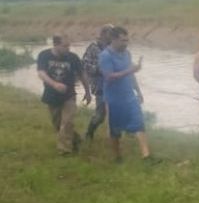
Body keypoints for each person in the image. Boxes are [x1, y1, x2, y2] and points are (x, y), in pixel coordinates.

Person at [99, 26, 153, 162]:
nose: (125, 43)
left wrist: (139, 91)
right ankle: (117, 157)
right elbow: (109, 76)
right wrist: (131, 70)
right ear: (113, 39)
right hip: (113, 99)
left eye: (127, 40)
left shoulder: (127, 54)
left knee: (139, 123)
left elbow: (131, 76)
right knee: (115, 130)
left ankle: (146, 156)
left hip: (129, 96)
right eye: (123, 41)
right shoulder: (105, 56)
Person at [36, 35, 91, 154]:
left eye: (69, 46)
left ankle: (65, 151)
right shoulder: (44, 55)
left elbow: (82, 75)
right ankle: (75, 139)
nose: (68, 49)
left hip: (69, 95)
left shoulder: (73, 58)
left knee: (67, 122)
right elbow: (41, 73)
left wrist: (88, 92)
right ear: (55, 45)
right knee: (57, 123)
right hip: (51, 94)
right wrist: (54, 84)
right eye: (65, 46)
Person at [81, 23, 114, 140]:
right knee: (100, 115)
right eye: (111, 34)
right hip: (99, 84)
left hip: (113, 84)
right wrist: (100, 68)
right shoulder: (93, 47)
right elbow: (84, 65)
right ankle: (89, 133)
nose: (113, 36)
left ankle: (118, 135)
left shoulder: (113, 47)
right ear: (104, 34)